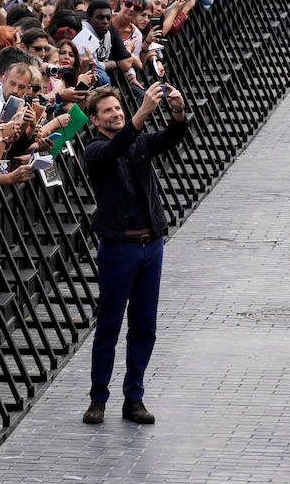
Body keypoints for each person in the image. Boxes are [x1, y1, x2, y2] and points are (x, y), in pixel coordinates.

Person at [81, 83, 187, 426]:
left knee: (144, 325)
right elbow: (115, 149)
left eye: (118, 108)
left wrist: (177, 111)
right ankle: (98, 398)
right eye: (108, 111)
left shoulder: (139, 140)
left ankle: (134, 397)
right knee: (109, 325)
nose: (116, 113)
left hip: (150, 244)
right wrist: (142, 112)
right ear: (96, 121)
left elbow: (171, 136)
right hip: (118, 247)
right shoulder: (94, 149)